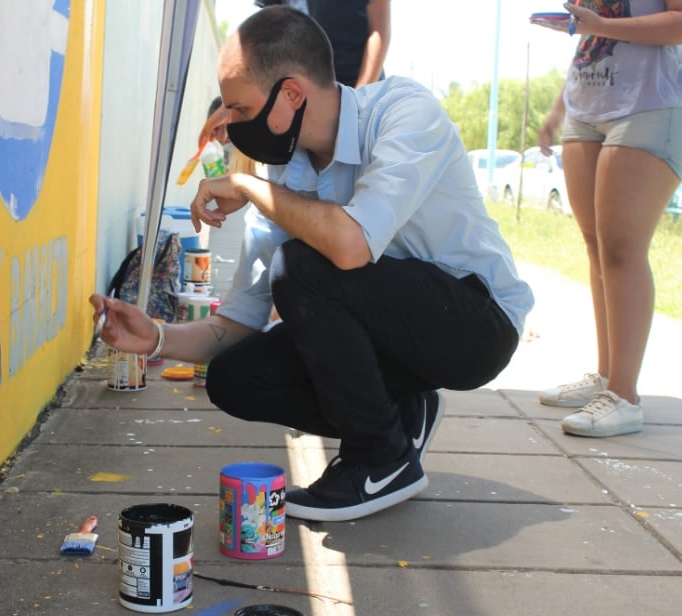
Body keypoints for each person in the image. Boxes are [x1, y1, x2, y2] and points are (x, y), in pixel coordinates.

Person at [92, 6, 533, 522]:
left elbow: (350, 246)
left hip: (475, 327)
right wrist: (158, 339)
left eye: (238, 109)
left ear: (292, 94)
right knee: (234, 377)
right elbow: (238, 321)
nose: (230, 127)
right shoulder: (287, 171)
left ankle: (380, 460)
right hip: (396, 335)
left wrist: (249, 186)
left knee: (303, 263)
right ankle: (400, 411)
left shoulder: (403, 113)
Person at [536, 1, 682, 438]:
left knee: (621, 249)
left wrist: (601, 23)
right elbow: (593, 37)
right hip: (587, 103)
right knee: (595, 243)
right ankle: (604, 378)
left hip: (649, 106)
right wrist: (557, 110)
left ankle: (624, 396)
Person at [253, 0, 391, 88]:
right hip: (299, 93)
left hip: (356, 85)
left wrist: (361, 96)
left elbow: (379, 33)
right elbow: (270, 31)